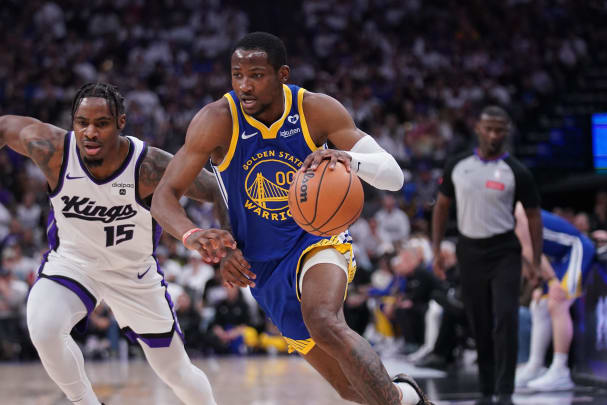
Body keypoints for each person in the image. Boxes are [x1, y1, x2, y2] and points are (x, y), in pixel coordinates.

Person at [152, 32, 431, 405]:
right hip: (262, 267)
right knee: (352, 389)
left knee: (324, 319)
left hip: (319, 240)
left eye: (256, 75)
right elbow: (164, 197)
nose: (245, 85)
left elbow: (394, 175)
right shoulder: (216, 120)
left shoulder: (316, 110)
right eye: (237, 75)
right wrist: (194, 235)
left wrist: (352, 161)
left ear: (282, 74)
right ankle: (406, 395)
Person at [0, 82, 220, 405]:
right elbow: (2, 127)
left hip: (133, 273)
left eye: (102, 124)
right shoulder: (54, 151)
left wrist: (237, 236)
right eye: (82, 123)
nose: (90, 132)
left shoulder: (148, 166)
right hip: (74, 263)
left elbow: (214, 190)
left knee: (176, 372)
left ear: (121, 123)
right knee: (43, 326)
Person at [432, 106, 543, 405]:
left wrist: (534, 261)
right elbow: (441, 207)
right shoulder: (457, 165)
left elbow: (533, 216)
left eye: (500, 130)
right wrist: (436, 251)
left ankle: (505, 391)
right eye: (489, 129)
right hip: (469, 251)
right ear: (478, 129)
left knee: (506, 316)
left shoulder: (517, 171)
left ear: (507, 132)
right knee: (478, 321)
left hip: (504, 251)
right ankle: (485, 390)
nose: (494, 135)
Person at [514, 203, 596, 391]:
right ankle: (535, 365)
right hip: (560, 257)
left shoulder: (517, 212)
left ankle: (560, 370)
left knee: (557, 303)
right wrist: (536, 282)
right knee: (539, 305)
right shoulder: (504, 216)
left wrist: (551, 282)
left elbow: (531, 251)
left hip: (577, 248)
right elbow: (524, 255)